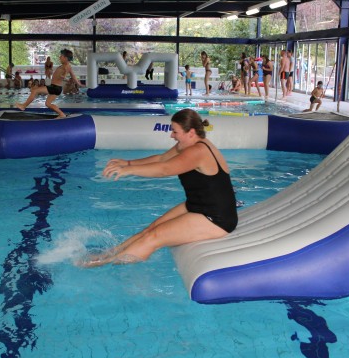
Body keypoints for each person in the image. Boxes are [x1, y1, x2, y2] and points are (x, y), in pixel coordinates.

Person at [81, 109, 238, 267]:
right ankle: (109, 253)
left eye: (175, 131)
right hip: (198, 205)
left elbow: (165, 169)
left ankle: (105, 264)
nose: (172, 135)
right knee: (152, 228)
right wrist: (128, 163)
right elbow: (161, 158)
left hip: (216, 218)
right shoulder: (187, 145)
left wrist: (128, 171)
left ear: (190, 132)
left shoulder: (198, 151)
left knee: (154, 237)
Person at [15, 49, 83, 118]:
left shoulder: (66, 66)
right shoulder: (66, 65)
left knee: (35, 90)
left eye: (61, 56)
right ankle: (61, 114)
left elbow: (65, 75)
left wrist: (64, 77)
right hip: (56, 88)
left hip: (55, 87)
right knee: (47, 104)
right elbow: (73, 76)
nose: (59, 57)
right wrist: (79, 83)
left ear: (66, 58)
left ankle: (24, 106)